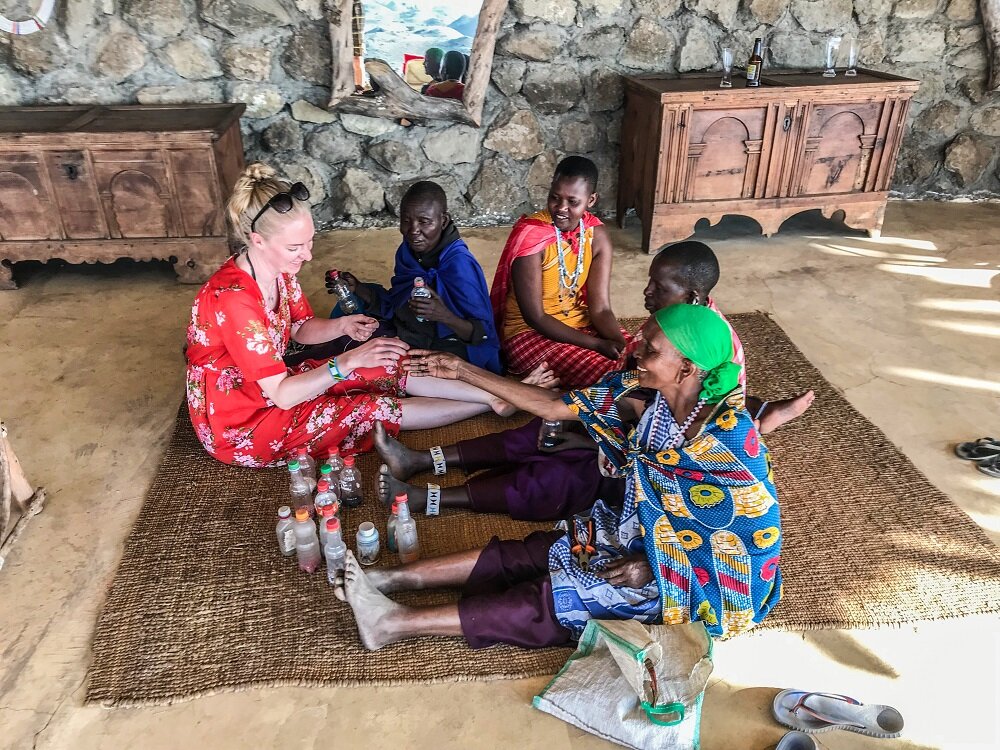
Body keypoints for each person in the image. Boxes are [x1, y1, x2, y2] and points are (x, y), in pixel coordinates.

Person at [336, 304, 783, 650]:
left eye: (650, 349)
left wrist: (654, 566)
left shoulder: (727, 441)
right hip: (638, 533)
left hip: (691, 584)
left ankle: (392, 624)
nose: (636, 352)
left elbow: (747, 537)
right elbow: (554, 406)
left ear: (687, 369)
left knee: (558, 597)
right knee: (539, 551)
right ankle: (389, 581)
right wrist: (463, 370)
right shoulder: (650, 394)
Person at [374, 239, 813, 520]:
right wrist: (584, 419)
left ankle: (432, 499)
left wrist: (589, 441)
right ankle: (423, 462)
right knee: (541, 429)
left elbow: (673, 459)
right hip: (627, 428)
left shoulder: (709, 358)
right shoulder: (666, 331)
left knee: (555, 477)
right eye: (649, 282)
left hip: (651, 468)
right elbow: (622, 391)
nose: (646, 294)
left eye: (658, 288)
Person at [184, 163, 517, 467]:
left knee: (385, 362)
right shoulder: (234, 302)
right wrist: (347, 362)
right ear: (257, 240)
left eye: (309, 242)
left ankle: (496, 395)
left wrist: (344, 324)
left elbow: (301, 327)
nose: (308, 255)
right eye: (295, 247)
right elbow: (283, 395)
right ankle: (493, 400)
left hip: (269, 385)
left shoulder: (277, 269)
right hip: (245, 418)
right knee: (364, 408)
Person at [330, 181, 501, 373]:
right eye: (406, 220)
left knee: (360, 366)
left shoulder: (459, 266)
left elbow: (482, 335)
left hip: (447, 350)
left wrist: (443, 315)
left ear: (443, 221)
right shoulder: (408, 252)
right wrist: (358, 288)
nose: (413, 231)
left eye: (424, 221)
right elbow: (398, 300)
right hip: (408, 332)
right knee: (346, 327)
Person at [491, 155, 631, 390]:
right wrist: (597, 345)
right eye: (554, 198)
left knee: (644, 356)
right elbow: (536, 317)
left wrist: (618, 342)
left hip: (580, 325)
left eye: (572, 202)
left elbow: (601, 308)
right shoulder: (532, 235)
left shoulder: (597, 237)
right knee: (610, 373)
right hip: (530, 334)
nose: (561, 209)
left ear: (591, 200)